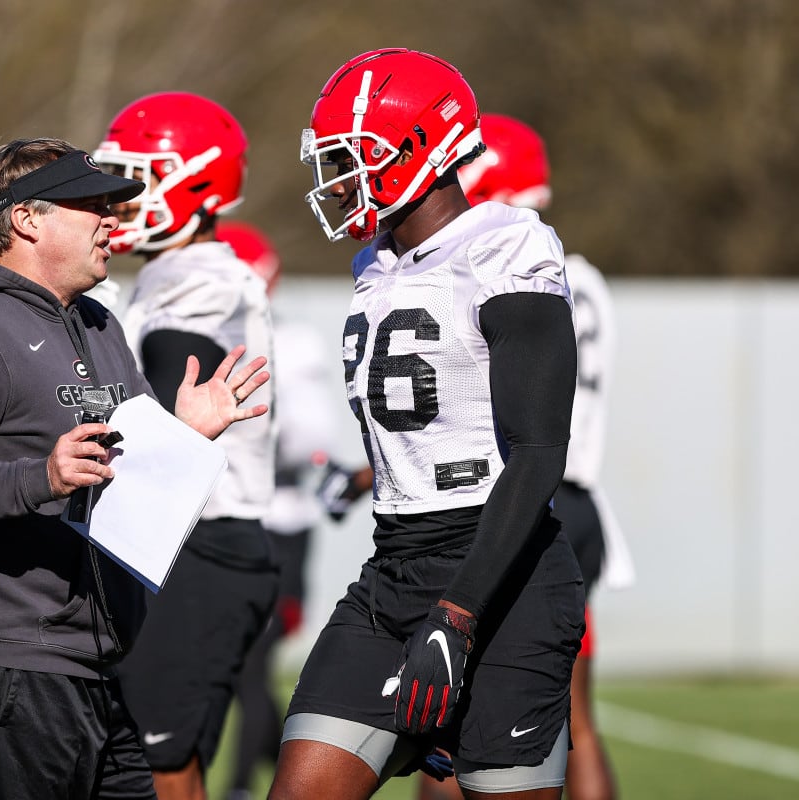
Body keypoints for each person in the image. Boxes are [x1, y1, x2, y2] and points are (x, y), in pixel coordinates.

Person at [0, 136, 270, 800]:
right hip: (1, 661)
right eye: (90, 205)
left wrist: (184, 435)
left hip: (93, 662)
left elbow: (126, 471)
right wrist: (43, 478)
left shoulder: (96, 325)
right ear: (28, 219)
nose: (113, 221)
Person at [268, 48, 584, 800]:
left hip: (502, 573)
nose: (340, 182)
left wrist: (459, 612)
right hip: (393, 568)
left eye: (355, 159)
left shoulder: (506, 246)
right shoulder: (376, 264)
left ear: (422, 149)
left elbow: (538, 454)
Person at [92, 93, 280, 800]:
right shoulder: (165, 276)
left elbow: (172, 399)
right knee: (141, 766)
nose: (120, 197)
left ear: (195, 181)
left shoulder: (200, 280)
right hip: (182, 538)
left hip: (202, 542)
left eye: (138, 177)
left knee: (160, 766)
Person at [457, 113, 635, 800]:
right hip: (579, 496)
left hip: (524, 495)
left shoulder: (508, 265)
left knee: (456, 716)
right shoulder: (585, 276)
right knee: (576, 720)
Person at [212, 221, 335, 800]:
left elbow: (311, 439)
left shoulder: (288, 343)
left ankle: (240, 785)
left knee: (250, 664)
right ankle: (275, 757)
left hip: (275, 523)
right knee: (233, 665)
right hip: (228, 521)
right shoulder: (202, 335)